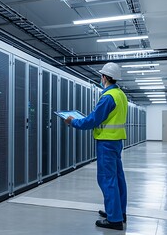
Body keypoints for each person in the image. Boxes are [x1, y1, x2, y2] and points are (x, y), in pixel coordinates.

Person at [65, 62, 128, 231]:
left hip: (106, 143)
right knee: (118, 178)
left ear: (105, 77)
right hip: (116, 142)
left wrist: (73, 122)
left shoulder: (108, 97)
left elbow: (93, 120)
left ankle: (114, 220)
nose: (100, 79)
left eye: (101, 76)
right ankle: (119, 212)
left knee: (107, 179)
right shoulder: (120, 95)